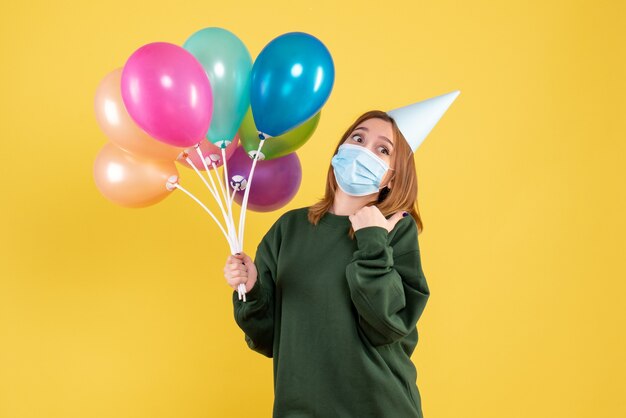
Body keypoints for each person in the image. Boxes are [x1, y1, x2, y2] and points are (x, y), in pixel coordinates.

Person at [223, 109, 431, 418]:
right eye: (358, 138)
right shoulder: (289, 229)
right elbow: (267, 339)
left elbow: (387, 326)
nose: (364, 150)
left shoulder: (395, 230)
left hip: (381, 408)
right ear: (340, 151)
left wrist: (372, 239)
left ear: (391, 177)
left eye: (382, 149)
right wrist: (251, 289)